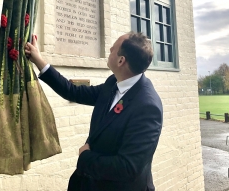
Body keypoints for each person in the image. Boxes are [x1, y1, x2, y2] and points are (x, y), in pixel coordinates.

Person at [25, 32, 163, 191]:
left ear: (121, 61)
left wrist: (86, 157)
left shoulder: (147, 107)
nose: (110, 48)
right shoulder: (113, 83)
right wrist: (39, 60)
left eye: (113, 48)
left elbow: (127, 168)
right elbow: (73, 91)